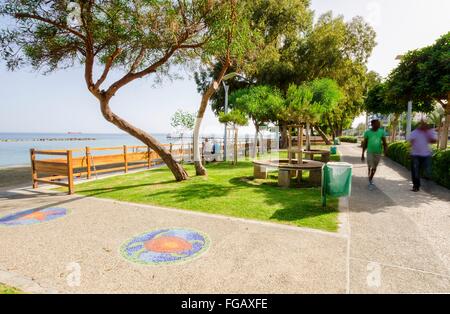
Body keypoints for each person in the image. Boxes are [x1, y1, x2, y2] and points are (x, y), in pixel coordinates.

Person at [407, 120, 437, 192]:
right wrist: (409, 152)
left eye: (425, 125)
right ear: (419, 125)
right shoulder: (415, 132)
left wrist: (428, 134)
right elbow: (411, 142)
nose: (424, 126)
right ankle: (416, 186)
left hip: (426, 155)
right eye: (422, 125)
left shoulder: (429, 132)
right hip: (415, 155)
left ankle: (428, 185)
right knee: (415, 172)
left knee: (427, 172)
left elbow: (434, 141)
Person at [361, 119, 388, 190]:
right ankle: (370, 179)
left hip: (378, 152)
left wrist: (385, 152)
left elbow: (385, 143)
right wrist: (362, 154)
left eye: (379, 124)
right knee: (370, 165)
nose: (379, 125)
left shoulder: (382, 132)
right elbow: (365, 143)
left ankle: (370, 177)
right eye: (377, 123)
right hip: (370, 152)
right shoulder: (367, 132)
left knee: (374, 167)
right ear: (372, 124)